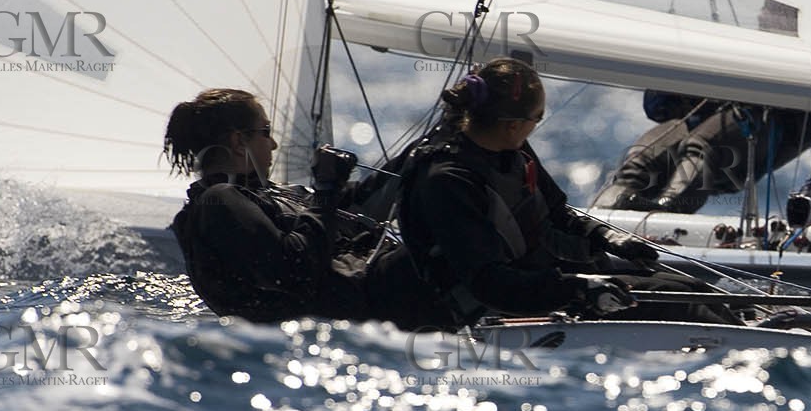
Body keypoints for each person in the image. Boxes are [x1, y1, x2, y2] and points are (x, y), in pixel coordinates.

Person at [397, 59, 739, 325]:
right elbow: (488, 283)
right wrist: (579, 288)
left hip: (547, 284)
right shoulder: (447, 180)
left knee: (689, 288)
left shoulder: (512, 149)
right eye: (537, 118)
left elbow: (558, 214)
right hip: (503, 308)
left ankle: (761, 325)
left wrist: (608, 239)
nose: (537, 125)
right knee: (679, 304)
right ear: (513, 123)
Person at [163, 88, 450, 329]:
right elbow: (291, 270)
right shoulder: (219, 201)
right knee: (453, 244)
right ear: (239, 142)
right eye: (266, 132)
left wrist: (443, 130)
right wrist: (325, 192)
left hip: (377, 295)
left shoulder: (273, 193)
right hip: (360, 308)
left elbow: (366, 202)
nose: (273, 144)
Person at [593, 90, 811, 213]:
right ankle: (599, 216)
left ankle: (669, 211)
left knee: (702, 147)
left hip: (772, 119)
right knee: (642, 159)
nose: (764, 14)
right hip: (706, 114)